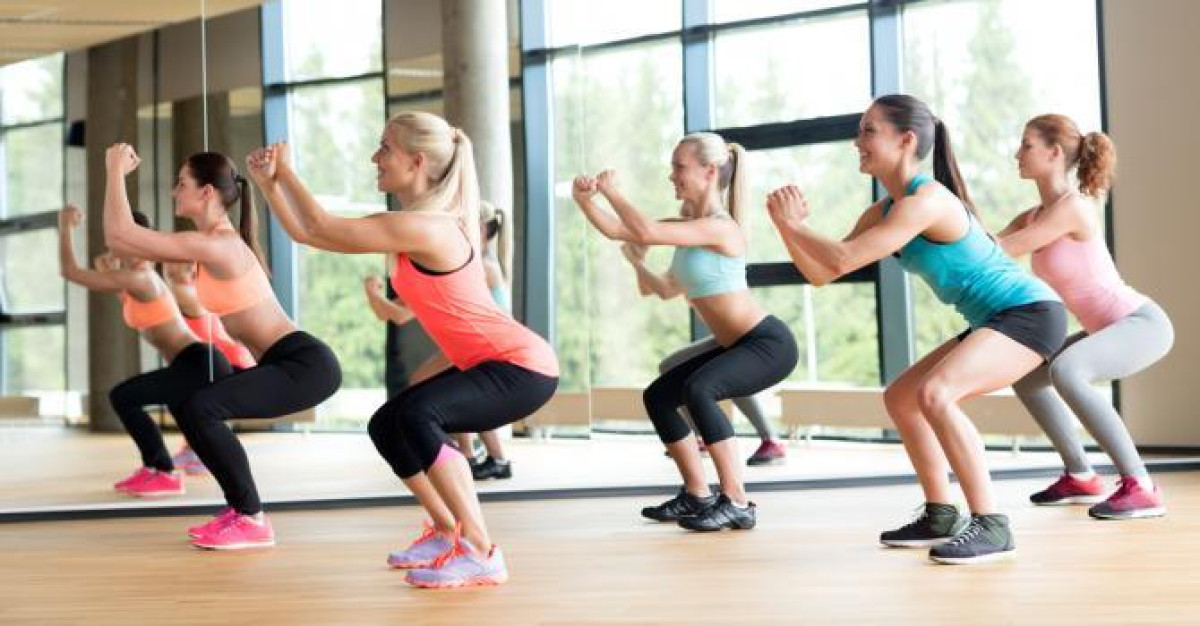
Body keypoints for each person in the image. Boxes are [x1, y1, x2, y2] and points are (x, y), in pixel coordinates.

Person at [247, 111, 558, 588]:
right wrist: (270, 185)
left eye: (384, 148)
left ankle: (480, 550)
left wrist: (286, 174)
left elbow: (320, 224)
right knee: (387, 424)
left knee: (418, 418)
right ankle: (444, 529)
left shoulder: (427, 227)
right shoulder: (419, 223)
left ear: (416, 162)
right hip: (493, 362)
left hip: (520, 365)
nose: (375, 157)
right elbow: (309, 233)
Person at [766, 94, 1065, 564]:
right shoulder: (885, 211)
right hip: (996, 318)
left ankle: (991, 524)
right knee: (902, 397)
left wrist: (794, 226)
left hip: (1030, 313)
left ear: (906, 141)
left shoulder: (927, 201)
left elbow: (841, 257)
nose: (856, 142)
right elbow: (825, 273)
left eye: (868, 131)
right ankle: (941, 514)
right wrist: (787, 230)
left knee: (936, 394)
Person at [103, 145, 342, 550]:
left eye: (182, 183)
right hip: (283, 361)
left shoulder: (218, 245)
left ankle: (252, 517)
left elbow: (121, 238)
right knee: (191, 399)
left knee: (202, 406)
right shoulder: (214, 243)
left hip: (303, 363)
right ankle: (240, 510)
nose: (175, 191)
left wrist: (113, 171)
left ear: (208, 192)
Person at [573, 131, 798, 532]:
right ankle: (698, 493)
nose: (671, 175)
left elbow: (641, 231)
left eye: (679, 166)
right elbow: (630, 245)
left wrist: (614, 192)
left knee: (700, 389)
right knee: (659, 396)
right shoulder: (688, 231)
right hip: (734, 344)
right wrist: (586, 201)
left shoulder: (721, 228)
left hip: (767, 343)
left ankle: (738, 502)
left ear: (709, 171)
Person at [999, 113, 1173, 519]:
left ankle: (1141, 485)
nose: (1017, 154)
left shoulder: (1073, 208)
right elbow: (990, 245)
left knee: (1068, 369)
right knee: (1028, 378)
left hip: (1141, 324)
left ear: (1054, 152)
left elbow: (1007, 249)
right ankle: (1080, 476)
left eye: (1026, 145)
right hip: (1107, 327)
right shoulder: (1032, 216)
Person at [58, 204, 232, 497]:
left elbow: (71, 272)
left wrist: (64, 227)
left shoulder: (141, 278)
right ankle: (161, 470)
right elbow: (109, 275)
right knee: (186, 422)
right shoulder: (135, 279)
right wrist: (112, 257)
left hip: (197, 362)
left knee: (123, 397)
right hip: (187, 364)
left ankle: (162, 471)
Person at [619, 241, 788, 466]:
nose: (682, 216)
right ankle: (700, 437)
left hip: (744, 331)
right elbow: (653, 289)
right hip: (723, 334)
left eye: (687, 212)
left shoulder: (703, 253)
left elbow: (663, 288)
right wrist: (637, 264)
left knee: (720, 374)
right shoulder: (685, 259)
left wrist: (637, 261)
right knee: (671, 367)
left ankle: (769, 440)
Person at [163, 260, 258, 475]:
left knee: (196, 403)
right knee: (179, 397)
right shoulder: (188, 292)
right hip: (208, 362)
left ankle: (206, 454)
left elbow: (156, 292)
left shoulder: (192, 295)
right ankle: (193, 449)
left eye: (174, 263)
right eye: (167, 263)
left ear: (192, 270)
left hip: (230, 362)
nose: (169, 267)